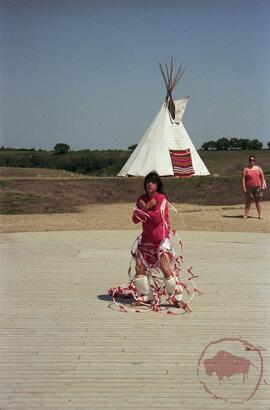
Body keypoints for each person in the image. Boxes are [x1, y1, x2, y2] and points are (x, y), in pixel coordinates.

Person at [132, 171, 183, 307]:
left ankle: (176, 297)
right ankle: (145, 296)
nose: (149, 183)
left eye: (153, 182)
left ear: (157, 185)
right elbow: (135, 219)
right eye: (148, 181)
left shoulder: (161, 199)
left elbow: (157, 219)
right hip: (147, 239)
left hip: (161, 240)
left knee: (165, 267)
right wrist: (147, 206)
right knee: (139, 267)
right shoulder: (141, 199)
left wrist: (145, 209)